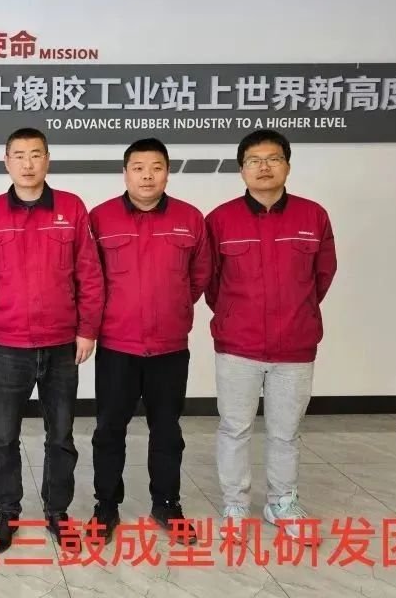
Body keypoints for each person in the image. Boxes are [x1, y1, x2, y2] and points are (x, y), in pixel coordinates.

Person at [0, 127, 104, 552]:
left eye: (35, 154)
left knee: (60, 435)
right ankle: (7, 511)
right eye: (19, 155)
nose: (28, 164)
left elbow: (89, 273)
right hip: (8, 344)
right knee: (3, 437)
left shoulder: (71, 207)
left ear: (47, 159)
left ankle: (57, 512)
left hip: (62, 343)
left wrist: (87, 329)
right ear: (6, 161)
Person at [205, 129, 336, 543]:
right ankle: (235, 504)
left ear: (287, 166)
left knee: (286, 431)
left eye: (273, 159)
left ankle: (282, 502)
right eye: (254, 160)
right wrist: (233, 314)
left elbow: (322, 275)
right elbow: (211, 281)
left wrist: (298, 311)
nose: (264, 167)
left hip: (295, 345)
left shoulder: (313, 216)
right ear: (241, 169)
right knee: (235, 428)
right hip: (238, 345)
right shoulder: (220, 219)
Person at [87, 138, 212, 545]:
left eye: (156, 167)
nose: (147, 176)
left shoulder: (190, 218)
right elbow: (89, 277)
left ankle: (167, 503)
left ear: (167, 173)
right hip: (116, 345)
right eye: (138, 167)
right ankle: (106, 505)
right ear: (125, 173)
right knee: (109, 429)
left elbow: (199, 275)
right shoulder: (100, 218)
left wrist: (172, 306)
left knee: (167, 430)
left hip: (169, 347)